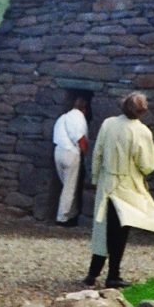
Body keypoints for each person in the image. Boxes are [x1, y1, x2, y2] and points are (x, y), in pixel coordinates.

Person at [84, 92, 154, 288]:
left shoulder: (108, 124)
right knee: (120, 231)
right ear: (142, 111)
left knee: (102, 229)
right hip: (127, 186)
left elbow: (97, 152)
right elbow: (147, 165)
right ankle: (112, 275)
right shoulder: (141, 132)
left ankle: (93, 274)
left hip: (107, 182)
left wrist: (95, 178)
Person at [53, 96, 90, 226]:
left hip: (58, 151)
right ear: (84, 109)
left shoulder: (63, 117)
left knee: (67, 186)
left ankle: (72, 214)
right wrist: (86, 155)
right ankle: (62, 218)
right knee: (70, 188)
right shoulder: (78, 117)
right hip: (71, 152)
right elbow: (80, 138)